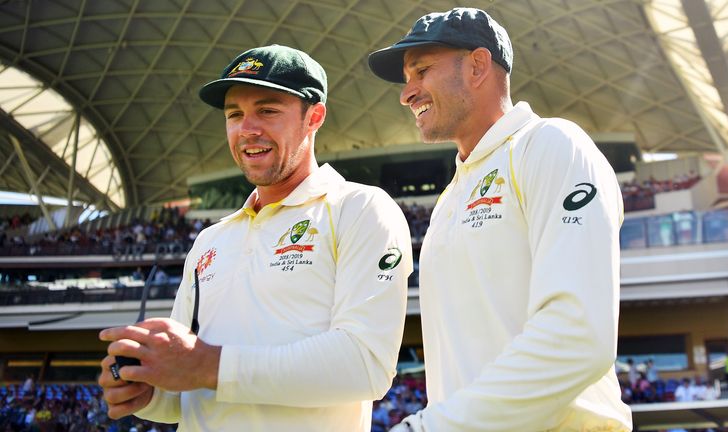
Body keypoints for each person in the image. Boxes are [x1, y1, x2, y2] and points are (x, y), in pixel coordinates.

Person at [98, 45, 412, 431]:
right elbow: (190, 389)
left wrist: (204, 363)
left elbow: (364, 365)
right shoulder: (210, 240)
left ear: (314, 117)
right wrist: (148, 393)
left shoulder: (360, 209)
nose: (248, 128)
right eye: (235, 114)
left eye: (267, 110)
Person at [368, 7, 632, 431]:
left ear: (477, 66)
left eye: (421, 71)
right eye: (406, 78)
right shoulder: (453, 195)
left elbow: (578, 335)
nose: (406, 93)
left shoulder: (550, 144)